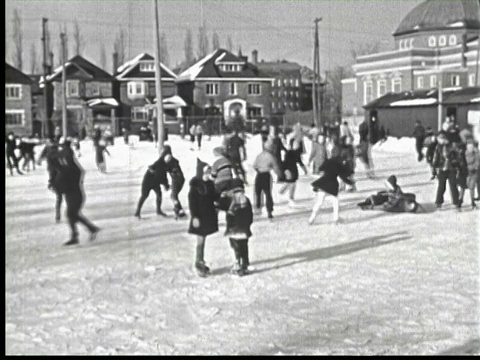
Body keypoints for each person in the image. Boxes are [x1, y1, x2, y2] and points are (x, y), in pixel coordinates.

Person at [49, 138, 100, 245]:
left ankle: (85, 231)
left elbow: (66, 163)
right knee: (72, 215)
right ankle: (86, 231)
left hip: (75, 194)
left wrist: (56, 184)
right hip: (72, 193)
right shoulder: (68, 167)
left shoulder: (69, 168)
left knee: (72, 214)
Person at [188, 159, 219, 277]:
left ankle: (200, 261)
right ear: (201, 173)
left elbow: (213, 197)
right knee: (200, 240)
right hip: (199, 217)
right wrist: (194, 216)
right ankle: (199, 262)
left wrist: (220, 195)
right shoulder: (195, 186)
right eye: (206, 173)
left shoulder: (210, 184)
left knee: (203, 239)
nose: (208, 175)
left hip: (208, 216)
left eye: (209, 173)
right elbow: (192, 203)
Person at [308, 155, 355, 225]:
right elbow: (342, 176)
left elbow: (321, 168)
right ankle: (336, 219)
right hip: (330, 185)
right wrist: (351, 182)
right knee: (335, 201)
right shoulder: (338, 165)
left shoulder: (329, 161)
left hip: (322, 183)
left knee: (319, 202)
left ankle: (311, 219)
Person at [225, 179, 253, 277]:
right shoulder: (246, 200)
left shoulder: (231, 201)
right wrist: (248, 225)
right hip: (244, 229)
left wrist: (229, 227)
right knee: (244, 246)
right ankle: (244, 264)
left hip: (234, 230)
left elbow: (229, 216)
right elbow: (250, 215)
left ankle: (237, 264)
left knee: (235, 247)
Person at [134, 149, 170, 218]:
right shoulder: (159, 163)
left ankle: (158, 210)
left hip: (155, 182)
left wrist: (166, 184)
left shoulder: (164, 164)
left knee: (159, 195)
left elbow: (164, 176)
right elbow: (160, 175)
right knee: (144, 196)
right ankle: (137, 212)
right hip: (148, 182)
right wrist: (166, 185)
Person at [252, 140, 283, 219]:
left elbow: (254, 166)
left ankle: (257, 208)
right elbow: (276, 167)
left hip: (259, 175)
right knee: (268, 193)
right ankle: (269, 211)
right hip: (266, 175)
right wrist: (280, 174)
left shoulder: (259, 156)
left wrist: (259, 170)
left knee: (258, 192)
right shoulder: (271, 156)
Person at [432, 133, 461, 210]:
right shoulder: (438, 147)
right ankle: (439, 202)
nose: (439, 141)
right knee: (441, 186)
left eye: (440, 139)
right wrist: (434, 169)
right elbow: (435, 158)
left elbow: (458, 156)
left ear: (444, 139)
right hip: (442, 169)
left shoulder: (452, 146)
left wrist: (455, 162)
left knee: (453, 186)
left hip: (451, 169)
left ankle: (456, 202)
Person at [279, 138, 304, 207]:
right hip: (289, 170)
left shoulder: (297, 153)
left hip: (294, 170)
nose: (298, 145)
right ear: (292, 145)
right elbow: (285, 162)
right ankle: (291, 198)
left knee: (291, 183)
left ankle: (282, 191)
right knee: (292, 184)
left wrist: (304, 169)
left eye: (298, 144)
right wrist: (285, 170)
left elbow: (300, 161)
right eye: (296, 144)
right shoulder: (289, 152)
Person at [163, 145, 186, 219]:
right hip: (180, 179)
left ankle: (179, 210)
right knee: (174, 195)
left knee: (173, 196)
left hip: (176, 179)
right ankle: (179, 209)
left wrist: (165, 185)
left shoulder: (167, 159)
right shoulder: (173, 159)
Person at [464, 140, 480, 208]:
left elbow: (477, 163)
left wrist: (472, 167)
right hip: (467, 172)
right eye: (468, 146)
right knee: (468, 186)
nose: (470, 147)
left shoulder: (476, 153)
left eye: (471, 146)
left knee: (472, 186)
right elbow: (463, 161)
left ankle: (472, 202)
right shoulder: (465, 153)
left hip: (474, 172)